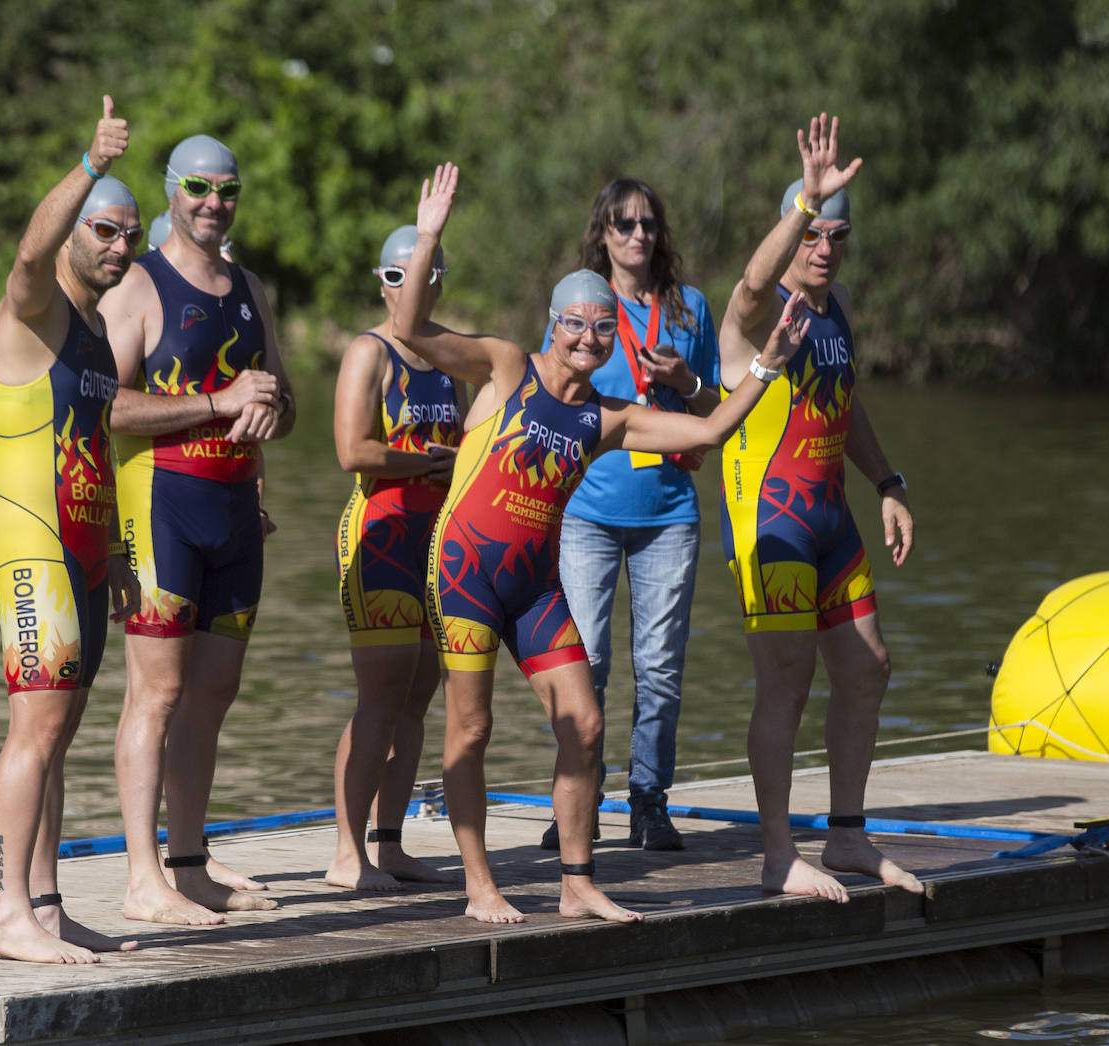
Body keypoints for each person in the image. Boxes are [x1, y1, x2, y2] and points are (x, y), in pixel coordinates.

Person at [393, 163, 809, 924]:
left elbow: (712, 429)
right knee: (472, 727)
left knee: (584, 724)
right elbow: (412, 325)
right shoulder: (508, 368)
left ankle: (578, 881)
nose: (588, 337)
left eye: (600, 327)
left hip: (532, 584)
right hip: (463, 575)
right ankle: (480, 885)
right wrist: (428, 237)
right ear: (553, 326)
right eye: (574, 324)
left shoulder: (610, 418)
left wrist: (767, 366)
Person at [718, 113, 922, 902]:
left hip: (831, 519)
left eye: (838, 236)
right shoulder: (756, 317)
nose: (825, 248)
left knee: (869, 668)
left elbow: (847, 403)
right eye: (813, 234)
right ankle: (778, 854)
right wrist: (803, 201)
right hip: (771, 527)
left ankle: (845, 834)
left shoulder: (834, 313)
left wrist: (889, 482)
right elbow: (748, 284)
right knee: (787, 685)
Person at [99, 133, 296, 925]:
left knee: (213, 693)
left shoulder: (249, 286)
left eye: (228, 190)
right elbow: (107, 405)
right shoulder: (137, 286)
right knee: (158, 692)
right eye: (199, 188)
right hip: (162, 506)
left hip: (236, 511)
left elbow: (286, 408)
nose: (215, 203)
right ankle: (142, 879)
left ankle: (189, 862)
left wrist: (268, 410)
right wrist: (219, 403)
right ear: (172, 192)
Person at [0, 96, 142, 962]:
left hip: (79, 547)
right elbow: (29, 249)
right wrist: (91, 163)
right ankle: (7, 916)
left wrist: (115, 552)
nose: (120, 248)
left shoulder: (96, 339)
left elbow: (95, 446)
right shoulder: (36, 309)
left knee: (62, 729)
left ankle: (43, 902)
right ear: (79, 231)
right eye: (105, 232)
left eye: (131, 236)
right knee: (34, 729)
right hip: (28, 539)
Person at [538, 179, 720, 852]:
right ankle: (573, 801)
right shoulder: (583, 303)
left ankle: (649, 802)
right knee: (581, 662)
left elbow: (715, 412)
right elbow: (547, 396)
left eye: (647, 223)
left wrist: (683, 383)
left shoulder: (689, 307)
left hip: (669, 511)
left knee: (661, 668)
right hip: (586, 510)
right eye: (622, 223)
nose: (636, 234)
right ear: (603, 231)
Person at [325, 226, 467, 892]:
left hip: (436, 538)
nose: (409, 288)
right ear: (382, 284)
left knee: (418, 698)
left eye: (423, 276)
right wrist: (427, 462)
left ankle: (390, 843)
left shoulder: (452, 357)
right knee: (379, 698)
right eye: (396, 278)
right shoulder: (368, 352)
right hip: (379, 534)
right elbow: (353, 450)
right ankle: (346, 853)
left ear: (438, 281)